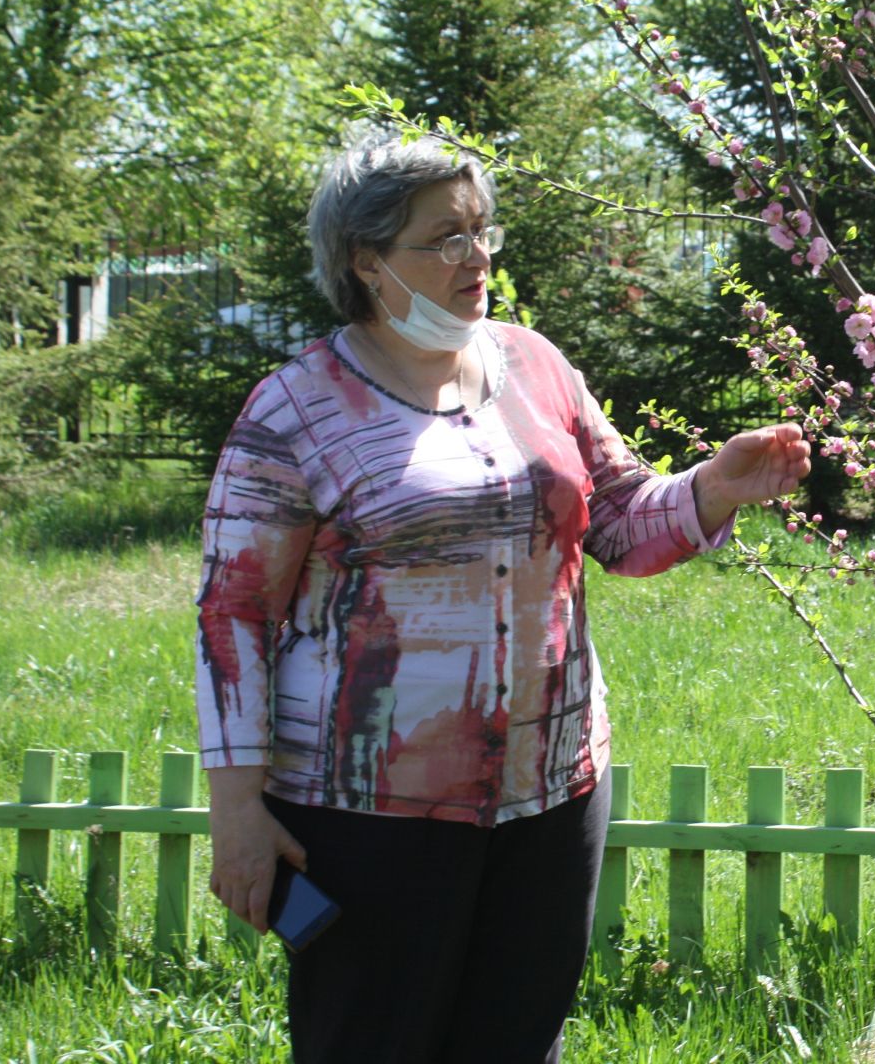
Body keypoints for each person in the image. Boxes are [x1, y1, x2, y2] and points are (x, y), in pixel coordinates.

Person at [194, 133, 809, 1063]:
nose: (476, 257)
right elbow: (231, 620)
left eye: (482, 231)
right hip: (369, 815)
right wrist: (238, 814)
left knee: (519, 1045)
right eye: (444, 238)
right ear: (367, 261)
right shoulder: (295, 412)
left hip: (552, 794)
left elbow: (617, 521)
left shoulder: (535, 364)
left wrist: (713, 490)